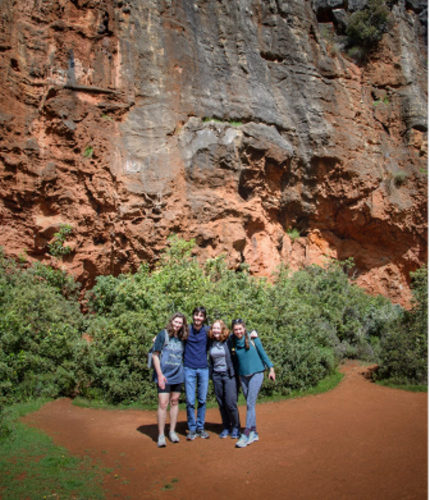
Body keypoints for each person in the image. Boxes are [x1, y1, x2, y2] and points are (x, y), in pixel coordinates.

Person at [231, 319, 276, 449]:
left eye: (240, 329)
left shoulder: (253, 339)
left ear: (244, 328)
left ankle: (245, 434)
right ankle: (254, 432)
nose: (238, 331)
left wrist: (271, 369)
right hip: (243, 376)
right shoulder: (232, 341)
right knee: (250, 404)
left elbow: (263, 355)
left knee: (250, 404)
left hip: (257, 373)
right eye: (236, 329)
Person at [152, 313, 189, 448]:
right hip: (164, 375)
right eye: (175, 321)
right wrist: (160, 375)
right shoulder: (163, 335)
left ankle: (172, 431)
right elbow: (155, 355)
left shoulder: (182, 337)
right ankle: (161, 435)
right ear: (171, 321)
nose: (177, 324)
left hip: (177, 375)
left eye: (180, 323)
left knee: (174, 402)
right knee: (163, 403)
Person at [208, 320, 241, 440]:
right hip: (216, 375)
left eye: (218, 328)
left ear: (223, 329)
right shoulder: (211, 341)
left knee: (230, 402)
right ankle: (226, 426)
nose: (216, 331)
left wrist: (254, 333)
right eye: (214, 328)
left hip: (229, 374)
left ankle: (236, 426)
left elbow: (241, 333)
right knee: (221, 403)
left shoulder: (229, 340)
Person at [184, 307, 211, 441]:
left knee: (202, 400)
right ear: (193, 316)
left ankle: (200, 427)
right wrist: (158, 337)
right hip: (188, 368)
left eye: (201, 316)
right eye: (196, 315)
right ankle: (192, 428)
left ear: (204, 318)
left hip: (203, 369)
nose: (198, 318)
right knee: (190, 401)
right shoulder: (186, 329)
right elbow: (172, 333)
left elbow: (222, 333)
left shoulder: (207, 330)